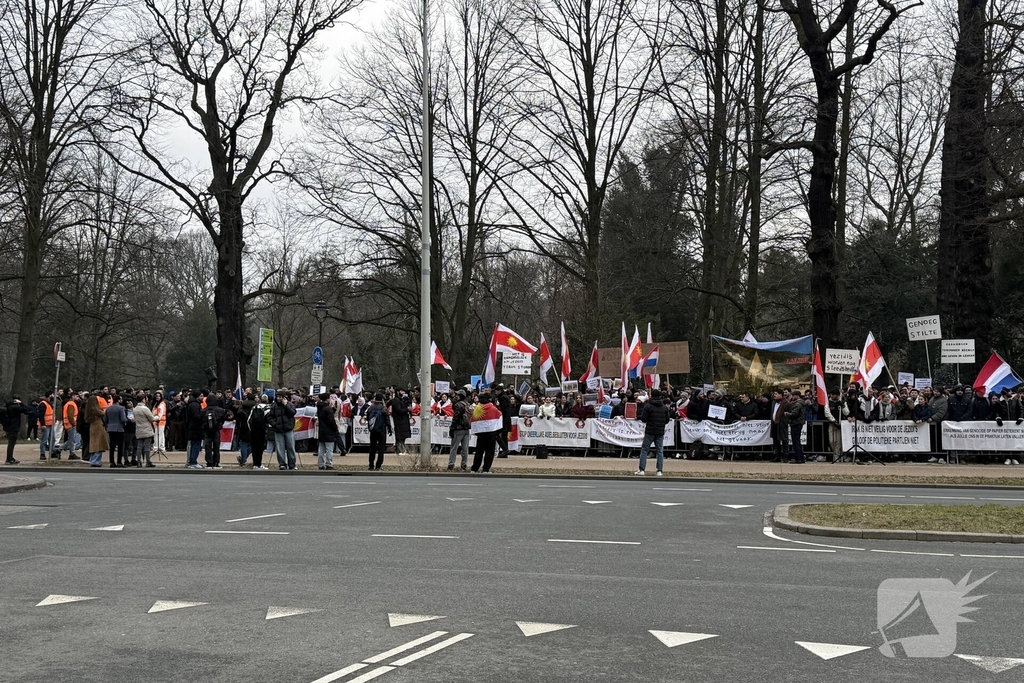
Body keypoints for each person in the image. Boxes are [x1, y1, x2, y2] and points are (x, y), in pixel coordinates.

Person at [634, 389, 672, 476]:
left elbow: (644, 419)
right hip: (660, 431)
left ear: (652, 396)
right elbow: (667, 420)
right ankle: (659, 470)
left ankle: (642, 470)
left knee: (644, 450)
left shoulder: (648, 406)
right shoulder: (664, 408)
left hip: (650, 431)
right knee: (660, 451)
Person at [470, 393, 503, 473]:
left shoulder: (477, 408)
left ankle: (474, 468)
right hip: (491, 433)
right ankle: (486, 469)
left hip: (480, 433)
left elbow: (473, 419)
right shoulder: (493, 408)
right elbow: (499, 415)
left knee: (479, 451)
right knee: (489, 452)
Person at [365, 393, 392, 471]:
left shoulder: (370, 408)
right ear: (382, 399)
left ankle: (371, 465)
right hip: (381, 430)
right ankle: (378, 465)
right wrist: (389, 429)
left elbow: (368, 418)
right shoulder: (383, 409)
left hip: (373, 430)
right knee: (381, 449)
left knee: (372, 448)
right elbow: (387, 420)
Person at [448, 390, 472, 471]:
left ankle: (451, 464)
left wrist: (452, 428)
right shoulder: (467, 404)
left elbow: (455, 418)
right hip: (466, 429)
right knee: (465, 448)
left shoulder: (458, 405)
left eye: (458, 395)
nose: (456, 396)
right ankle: (464, 464)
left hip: (458, 428)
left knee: (454, 447)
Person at [2, 396, 30, 464]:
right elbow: (26, 409)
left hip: (8, 426)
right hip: (13, 427)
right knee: (11, 443)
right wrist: (21, 403)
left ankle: (10, 457)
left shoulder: (9, 406)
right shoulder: (14, 407)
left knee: (11, 443)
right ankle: (9, 459)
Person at [202, 396, 227, 469]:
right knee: (216, 447)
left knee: (208, 447)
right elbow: (223, 419)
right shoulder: (220, 410)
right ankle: (216, 462)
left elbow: (201, 419)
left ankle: (209, 462)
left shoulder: (203, 410)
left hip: (207, 430)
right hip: (216, 430)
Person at [316, 393, 339, 470]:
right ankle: (329, 464)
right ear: (327, 399)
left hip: (322, 430)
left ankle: (321, 464)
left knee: (321, 449)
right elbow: (331, 420)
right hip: (329, 431)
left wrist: (333, 409)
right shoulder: (328, 409)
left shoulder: (319, 407)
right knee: (329, 449)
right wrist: (335, 428)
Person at [133, 396, 157, 467]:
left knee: (139, 446)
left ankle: (139, 461)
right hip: (147, 429)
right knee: (147, 446)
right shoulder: (145, 408)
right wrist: (157, 417)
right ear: (143, 400)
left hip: (139, 429)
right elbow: (152, 418)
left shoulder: (135, 409)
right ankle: (148, 461)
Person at [105, 395, 128, 467]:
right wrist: (126, 422)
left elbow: (105, 419)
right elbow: (123, 419)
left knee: (112, 445)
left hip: (110, 428)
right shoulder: (121, 408)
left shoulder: (108, 408)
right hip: (119, 428)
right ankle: (119, 462)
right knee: (120, 446)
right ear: (118, 400)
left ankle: (112, 461)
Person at [85, 394, 108, 467]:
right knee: (99, 444)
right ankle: (95, 461)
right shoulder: (96, 409)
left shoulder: (88, 410)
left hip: (92, 427)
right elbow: (103, 413)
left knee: (94, 445)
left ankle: (93, 460)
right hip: (98, 426)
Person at [184, 390, 205, 469]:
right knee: (196, 445)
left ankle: (192, 461)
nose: (202, 397)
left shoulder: (192, 404)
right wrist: (202, 420)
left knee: (194, 445)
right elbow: (196, 416)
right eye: (201, 396)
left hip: (193, 427)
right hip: (196, 428)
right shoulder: (195, 405)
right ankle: (193, 462)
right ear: (197, 397)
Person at [58, 395, 80, 460]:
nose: (78, 398)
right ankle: (71, 453)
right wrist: (73, 423)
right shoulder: (71, 404)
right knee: (72, 440)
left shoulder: (69, 403)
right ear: (73, 396)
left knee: (71, 440)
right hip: (70, 424)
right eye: (77, 396)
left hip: (68, 423)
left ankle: (59, 450)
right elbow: (70, 415)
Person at [37, 394, 55, 461]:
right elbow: (41, 415)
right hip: (46, 424)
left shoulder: (49, 403)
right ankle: (42, 453)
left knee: (52, 439)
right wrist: (43, 424)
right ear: (49, 396)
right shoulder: (43, 404)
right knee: (44, 440)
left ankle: (52, 452)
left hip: (50, 424)